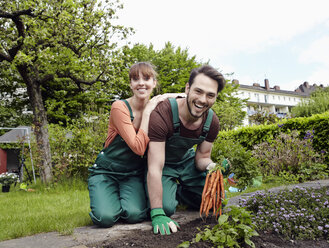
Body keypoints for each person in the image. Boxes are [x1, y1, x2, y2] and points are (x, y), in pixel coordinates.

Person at [88, 62, 183, 227]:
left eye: (147, 78)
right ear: (130, 84)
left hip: (132, 174)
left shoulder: (157, 107)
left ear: (154, 83)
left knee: (135, 215)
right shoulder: (120, 107)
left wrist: (165, 96)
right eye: (135, 79)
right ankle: (105, 197)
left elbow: (186, 98)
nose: (141, 83)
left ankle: (123, 202)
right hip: (106, 172)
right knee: (105, 218)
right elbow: (138, 147)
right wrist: (147, 112)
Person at [146, 65, 226, 235]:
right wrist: (157, 212)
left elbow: (202, 157)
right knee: (166, 208)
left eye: (210, 95)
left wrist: (212, 166)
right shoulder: (163, 113)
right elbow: (155, 167)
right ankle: (166, 192)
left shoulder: (212, 122)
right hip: (163, 164)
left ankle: (180, 191)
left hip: (186, 162)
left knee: (215, 202)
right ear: (187, 88)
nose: (203, 100)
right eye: (198, 91)